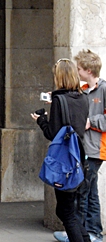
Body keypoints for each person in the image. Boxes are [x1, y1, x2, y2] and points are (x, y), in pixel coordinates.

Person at [31, 58, 90, 242]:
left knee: (66, 212)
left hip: (64, 162)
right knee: (68, 210)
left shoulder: (59, 100)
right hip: (79, 157)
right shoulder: (83, 97)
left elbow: (52, 134)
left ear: (60, 77)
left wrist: (40, 120)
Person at [54, 50, 105, 242]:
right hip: (84, 147)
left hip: (96, 148)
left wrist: (91, 121)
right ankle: (91, 233)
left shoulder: (103, 89)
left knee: (82, 194)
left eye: (79, 69)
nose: (76, 71)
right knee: (89, 192)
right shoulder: (82, 91)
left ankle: (82, 233)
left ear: (89, 71)